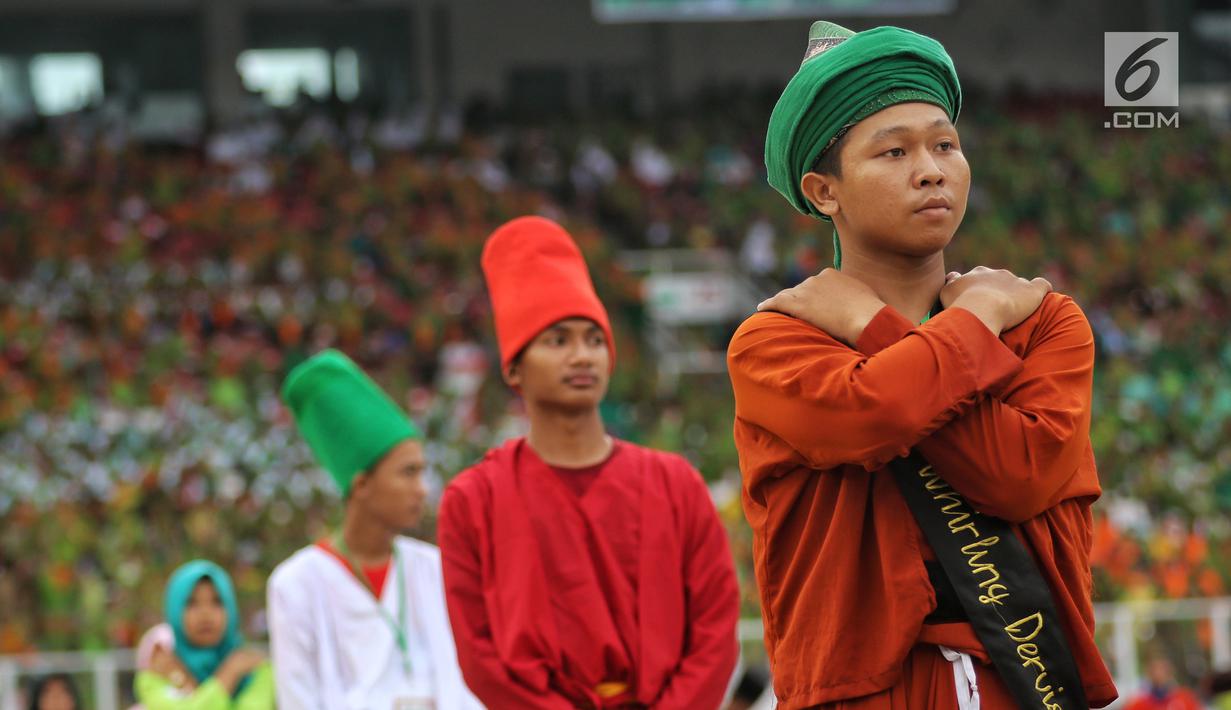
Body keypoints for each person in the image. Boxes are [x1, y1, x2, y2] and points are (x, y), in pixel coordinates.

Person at [726, 20, 1119, 709]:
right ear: (824, 192)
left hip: (1026, 684)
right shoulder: (775, 341)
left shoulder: (1043, 323)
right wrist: (973, 322)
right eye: (893, 152)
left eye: (945, 144)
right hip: (860, 693)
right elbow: (877, 413)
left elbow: (1016, 476)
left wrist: (867, 324)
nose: (932, 168)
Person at [437, 216, 741, 709]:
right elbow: (479, 655)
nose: (583, 357)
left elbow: (715, 626)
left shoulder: (675, 484)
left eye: (594, 339)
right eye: (558, 341)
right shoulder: (473, 501)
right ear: (515, 366)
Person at [268, 349, 480, 709]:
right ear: (362, 484)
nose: (423, 488)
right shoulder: (296, 584)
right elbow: (298, 700)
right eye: (407, 472)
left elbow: (464, 685)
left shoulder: (434, 568)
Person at [134, 560, 274, 709]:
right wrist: (229, 673)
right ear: (175, 610)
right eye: (191, 603)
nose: (205, 614)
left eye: (217, 602)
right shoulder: (158, 672)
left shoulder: (255, 670)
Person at [1124, 657, 1201, 710]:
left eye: (1163, 672)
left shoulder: (1185, 698)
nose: (1159, 676)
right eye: (1154, 673)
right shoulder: (1139, 704)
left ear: (1170, 675)